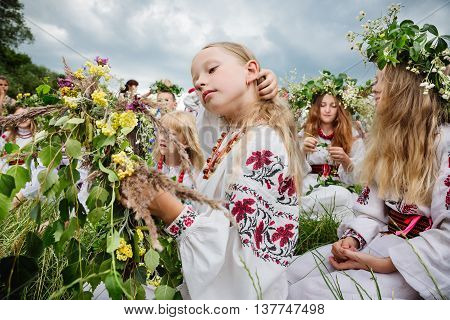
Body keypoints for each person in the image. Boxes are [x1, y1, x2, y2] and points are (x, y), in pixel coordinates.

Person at [287, 8, 449, 300]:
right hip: (381, 241)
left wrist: (382, 264)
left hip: (415, 260)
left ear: (405, 88)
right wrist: (352, 238)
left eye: (381, 80)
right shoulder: (386, 143)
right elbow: (372, 210)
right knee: (294, 272)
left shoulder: (443, 142)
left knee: (313, 294)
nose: (373, 88)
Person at [121, 42, 303, 299]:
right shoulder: (227, 133)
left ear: (251, 71)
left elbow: (240, 253)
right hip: (210, 274)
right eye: (195, 79)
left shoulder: (265, 141)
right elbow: (200, 111)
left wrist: (170, 211)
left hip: (244, 293)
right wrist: (253, 82)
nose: (200, 83)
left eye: (212, 69)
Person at [300, 86, 365, 220]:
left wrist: (346, 160)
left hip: (339, 183)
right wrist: (301, 151)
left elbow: (360, 175)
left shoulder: (351, 134)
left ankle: (310, 215)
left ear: (339, 109)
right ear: (316, 108)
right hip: (310, 185)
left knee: (350, 199)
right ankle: (301, 210)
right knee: (344, 198)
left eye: (333, 106)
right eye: (323, 105)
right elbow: (293, 170)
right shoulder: (305, 133)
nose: (328, 110)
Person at [153, 111, 204, 189]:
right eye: (161, 132)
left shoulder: (194, 176)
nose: (163, 138)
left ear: (186, 142)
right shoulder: (151, 166)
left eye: (170, 134)